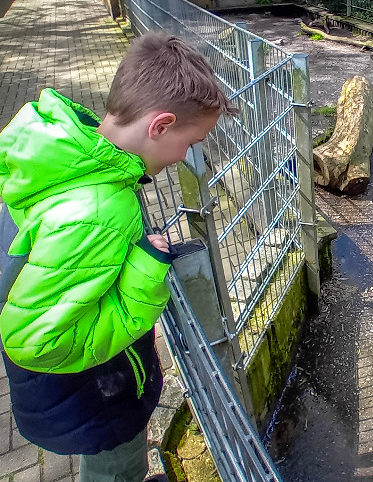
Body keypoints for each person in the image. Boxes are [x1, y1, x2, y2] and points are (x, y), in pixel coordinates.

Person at [0, 32, 237, 482]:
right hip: (93, 396)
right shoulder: (98, 211)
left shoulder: (76, 159)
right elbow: (34, 342)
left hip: (84, 387)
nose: (187, 155)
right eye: (191, 141)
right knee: (116, 467)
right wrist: (144, 274)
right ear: (160, 125)